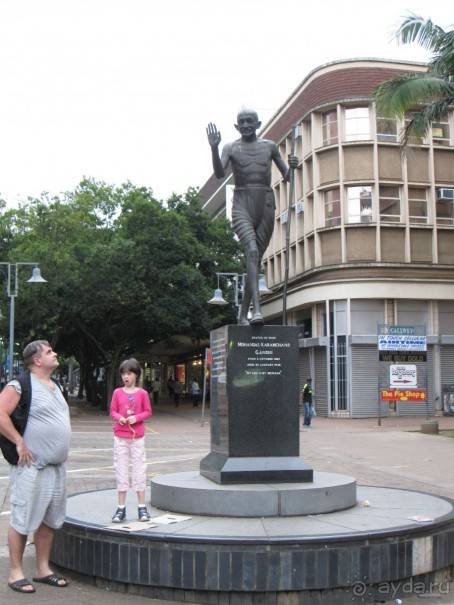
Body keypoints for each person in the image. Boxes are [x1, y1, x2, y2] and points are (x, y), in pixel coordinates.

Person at [207, 109, 299, 325]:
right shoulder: (231, 147)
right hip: (242, 201)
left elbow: (287, 176)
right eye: (242, 122)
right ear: (237, 126)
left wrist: (293, 166)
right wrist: (214, 147)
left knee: (254, 259)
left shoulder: (269, 146)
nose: (246, 124)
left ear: (258, 124)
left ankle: (242, 315)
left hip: (265, 200)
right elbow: (220, 174)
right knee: (252, 250)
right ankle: (256, 311)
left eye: (250, 121)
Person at [0, 340, 71, 593]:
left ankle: (42, 569)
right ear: (37, 361)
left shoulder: (55, 385)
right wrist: (19, 442)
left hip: (55, 467)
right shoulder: (20, 384)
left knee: (48, 520)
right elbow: (0, 413)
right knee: (22, 518)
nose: (55, 353)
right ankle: (16, 573)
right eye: (50, 351)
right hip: (31, 467)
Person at [110, 358, 152, 523]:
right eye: (123, 374)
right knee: (121, 470)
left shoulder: (142, 393)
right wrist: (120, 417)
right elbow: (113, 410)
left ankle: (142, 507)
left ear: (136, 375)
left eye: (129, 373)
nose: (126, 377)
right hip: (120, 437)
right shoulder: (117, 393)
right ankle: (121, 508)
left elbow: (148, 411)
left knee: (139, 470)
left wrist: (137, 417)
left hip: (137, 437)